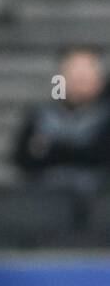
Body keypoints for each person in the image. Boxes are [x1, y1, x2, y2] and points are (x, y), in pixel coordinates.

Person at [12, 47, 110, 197]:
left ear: (99, 82)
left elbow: (99, 155)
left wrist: (51, 148)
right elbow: (22, 158)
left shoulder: (104, 117)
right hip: (46, 198)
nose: (78, 84)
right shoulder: (41, 115)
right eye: (73, 77)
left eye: (84, 78)